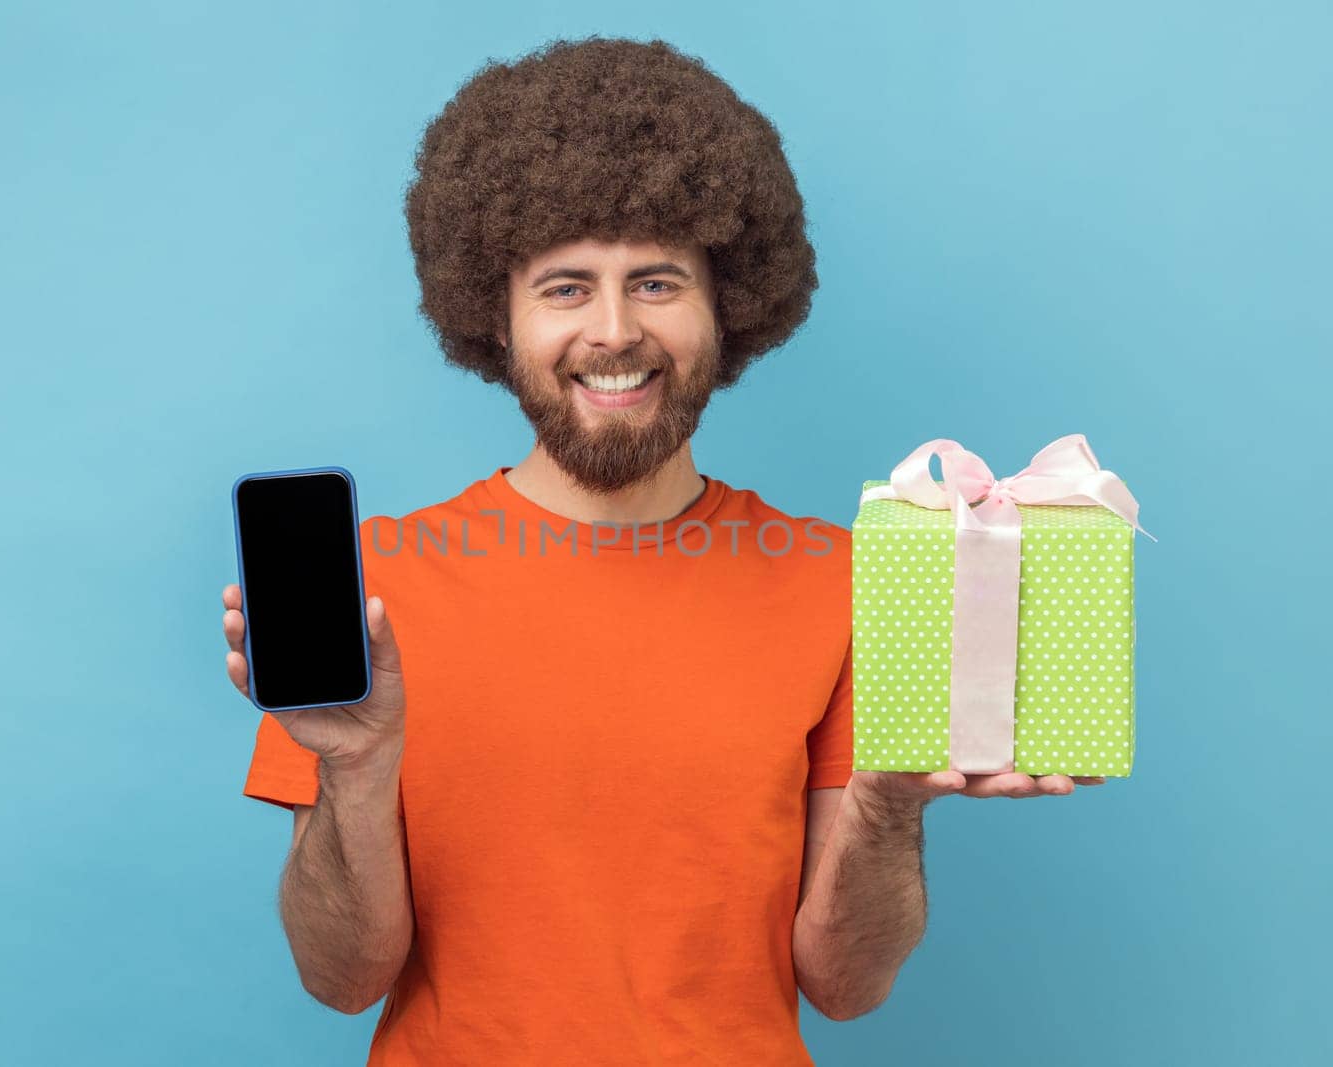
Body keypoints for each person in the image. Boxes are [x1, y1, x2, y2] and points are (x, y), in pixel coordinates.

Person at [221, 35, 1102, 1066]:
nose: (611, 331)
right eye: (562, 287)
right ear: (491, 318)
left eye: (654, 281)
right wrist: (360, 770)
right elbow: (341, 978)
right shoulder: (371, 595)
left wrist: (884, 803)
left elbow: (845, 985)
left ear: (725, 305)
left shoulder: (845, 582)